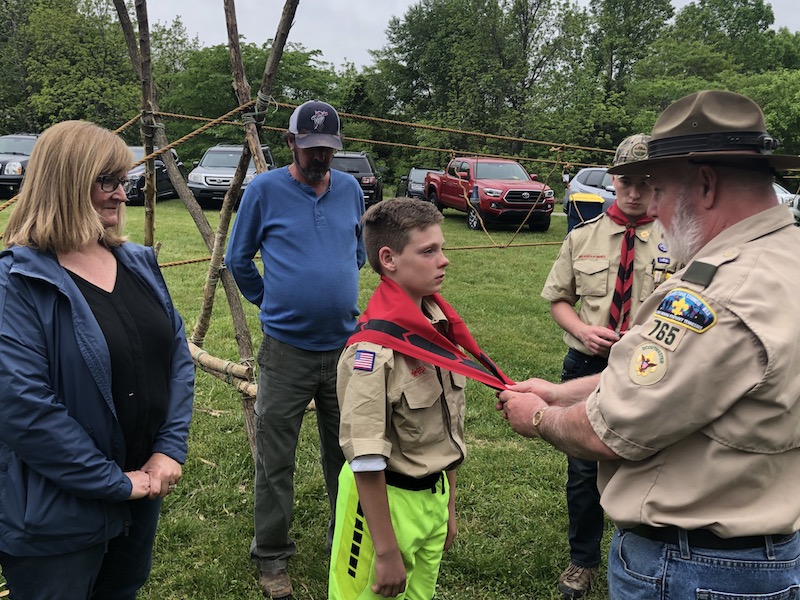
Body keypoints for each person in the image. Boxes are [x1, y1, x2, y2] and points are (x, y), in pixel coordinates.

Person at [498, 89, 800, 599]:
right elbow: (681, 381)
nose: (652, 206)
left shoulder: (720, 295)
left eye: (658, 188)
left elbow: (609, 430)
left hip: (694, 566)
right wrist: (559, 391)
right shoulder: (784, 254)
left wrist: (538, 416)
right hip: (760, 547)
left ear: (705, 184)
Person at [0, 120, 194, 599]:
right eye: (107, 181)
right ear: (65, 182)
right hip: (53, 511)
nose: (122, 195)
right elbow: (22, 404)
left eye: (124, 181)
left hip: (142, 488)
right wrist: (111, 482)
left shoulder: (139, 263)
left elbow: (177, 359)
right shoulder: (16, 282)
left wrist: (168, 450)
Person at [329, 199, 511, 599]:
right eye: (428, 251)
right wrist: (386, 550)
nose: (444, 260)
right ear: (389, 259)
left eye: (442, 248)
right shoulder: (371, 352)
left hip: (433, 497)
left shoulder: (437, 329)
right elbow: (365, 456)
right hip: (383, 504)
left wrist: (447, 508)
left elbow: (445, 429)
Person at [225, 99, 366, 599]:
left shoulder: (350, 190)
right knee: (275, 459)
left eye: (327, 148)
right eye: (310, 148)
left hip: (345, 349)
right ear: (290, 143)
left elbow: (357, 254)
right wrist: (271, 301)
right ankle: (271, 556)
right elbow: (237, 259)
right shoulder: (264, 190)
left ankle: (344, 541)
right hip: (285, 352)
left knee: (349, 455)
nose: (319, 157)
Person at [542, 134, 678, 598]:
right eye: (626, 182)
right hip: (586, 363)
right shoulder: (583, 236)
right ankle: (582, 559)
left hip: (650, 368)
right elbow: (559, 300)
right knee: (583, 469)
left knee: (647, 461)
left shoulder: (678, 241)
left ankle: (642, 553)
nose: (635, 192)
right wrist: (582, 330)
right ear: (612, 182)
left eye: (646, 182)